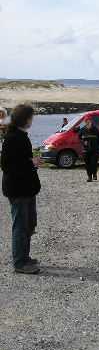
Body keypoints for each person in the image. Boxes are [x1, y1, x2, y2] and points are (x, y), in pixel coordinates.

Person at [1, 104, 41, 274]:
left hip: (26, 188)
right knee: (20, 226)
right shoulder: (13, 138)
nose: (32, 120)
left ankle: (24, 257)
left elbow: (19, 162)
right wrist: (30, 163)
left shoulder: (20, 136)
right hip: (18, 190)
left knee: (29, 224)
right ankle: (19, 262)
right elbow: (7, 165)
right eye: (31, 117)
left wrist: (31, 164)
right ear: (25, 119)